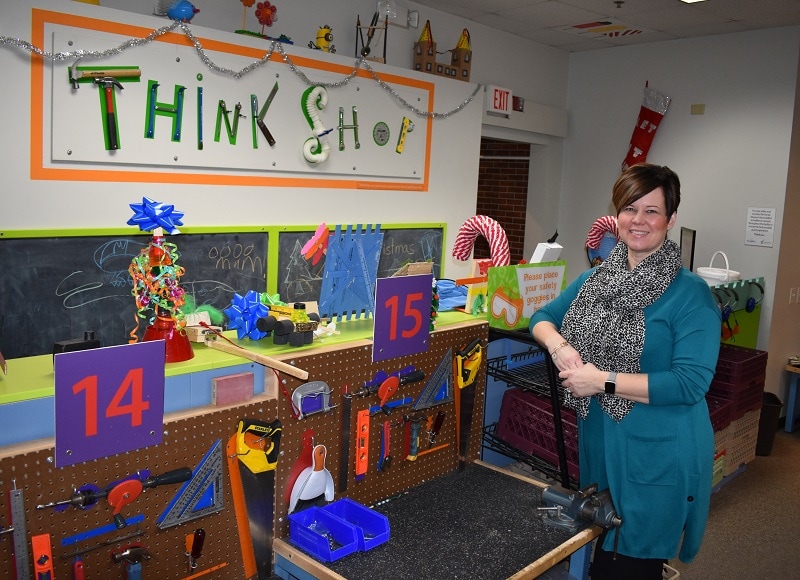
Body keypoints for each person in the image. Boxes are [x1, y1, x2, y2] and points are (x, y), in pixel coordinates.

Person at [530, 163, 721, 579]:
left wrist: (601, 381)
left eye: (652, 211)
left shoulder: (691, 295)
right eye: (630, 208)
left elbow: (690, 383)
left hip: (658, 450)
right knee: (602, 552)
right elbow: (542, 316)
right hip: (603, 441)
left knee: (630, 565)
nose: (639, 220)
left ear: (671, 220)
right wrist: (560, 346)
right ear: (616, 216)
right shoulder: (598, 279)